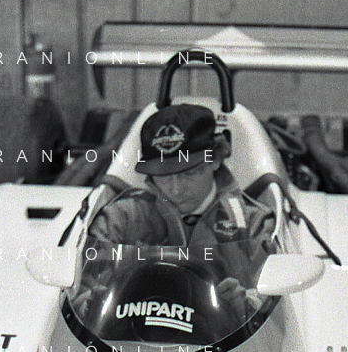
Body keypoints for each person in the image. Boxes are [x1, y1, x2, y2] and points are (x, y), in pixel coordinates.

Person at [86, 104, 278, 309]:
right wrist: (93, 303)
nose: (176, 189)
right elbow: (81, 292)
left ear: (215, 160)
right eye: (164, 176)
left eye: (189, 173)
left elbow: (275, 304)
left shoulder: (252, 223)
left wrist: (245, 305)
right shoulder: (120, 219)